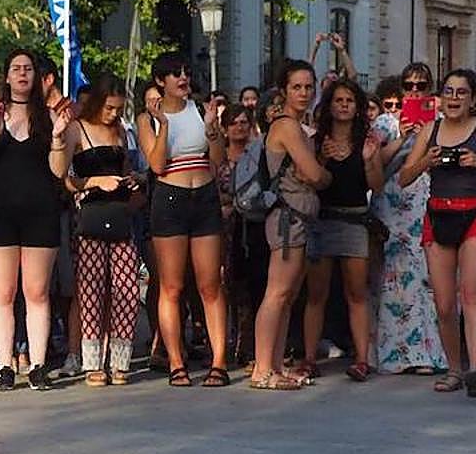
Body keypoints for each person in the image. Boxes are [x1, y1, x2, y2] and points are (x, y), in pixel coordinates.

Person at [0, 48, 71, 391]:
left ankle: (37, 365)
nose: (22, 74)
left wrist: (57, 138)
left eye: (28, 69)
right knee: (4, 291)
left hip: (40, 211)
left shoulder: (49, 117)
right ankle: (5, 366)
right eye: (16, 68)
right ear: (7, 76)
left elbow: (59, 172)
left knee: (37, 291)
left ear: (37, 77)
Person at [137, 52, 229, 387]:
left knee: (210, 284)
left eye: (186, 72)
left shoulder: (200, 110)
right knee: (171, 285)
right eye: (175, 73)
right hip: (170, 198)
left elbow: (218, 160)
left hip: (203, 195)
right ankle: (176, 362)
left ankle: (219, 361)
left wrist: (213, 130)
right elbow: (157, 165)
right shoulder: (147, 119)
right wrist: (163, 125)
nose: (182, 78)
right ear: (160, 81)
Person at [399, 68, 476, 398]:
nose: (454, 98)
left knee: (471, 293)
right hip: (439, 214)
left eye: (461, 92)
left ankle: (475, 369)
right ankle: (454, 369)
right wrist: (427, 161)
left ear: (472, 98)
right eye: (449, 92)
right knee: (444, 304)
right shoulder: (430, 130)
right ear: (440, 98)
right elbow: (404, 177)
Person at [249, 60, 332, 390]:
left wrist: (316, 171)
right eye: (297, 87)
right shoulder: (287, 126)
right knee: (278, 293)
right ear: (283, 91)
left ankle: (274, 365)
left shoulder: (297, 126)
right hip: (288, 218)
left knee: (287, 295)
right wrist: (322, 174)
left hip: (297, 217)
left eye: (309, 87)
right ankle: (262, 370)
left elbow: (311, 172)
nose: (304, 93)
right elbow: (314, 175)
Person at [301, 78, 384, 382]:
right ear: (329, 105)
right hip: (322, 220)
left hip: (354, 220)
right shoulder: (317, 140)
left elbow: (377, 185)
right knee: (316, 294)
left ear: (357, 106)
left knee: (356, 293)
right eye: (339, 100)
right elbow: (310, 180)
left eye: (350, 100)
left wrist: (369, 160)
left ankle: (361, 360)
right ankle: (309, 358)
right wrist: (322, 157)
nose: (344, 105)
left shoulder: (366, 141)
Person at [369, 62, 447, 376]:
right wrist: (402, 137)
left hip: (429, 203)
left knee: (426, 278)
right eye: (409, 85)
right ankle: (393, 354)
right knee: (390, 279)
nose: (414, 91)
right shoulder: (385, 123)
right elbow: (373, 163)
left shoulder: (441, 122)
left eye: (421, 85)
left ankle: (428, 353)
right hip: (392, 205)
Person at [65, 73, 141, 386]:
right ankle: (92, 362)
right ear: (97, 102)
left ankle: (120, 360)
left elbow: (125, 167)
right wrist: (96, 182)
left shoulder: (120, 130)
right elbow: (66, 179)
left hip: (120, 212)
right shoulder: (77, 129)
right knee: (91, 290)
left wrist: (132, 180)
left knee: (128, 288)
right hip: (91, 213)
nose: (113, 114)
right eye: (109, 107)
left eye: (118, 108)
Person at [217, 104, 265, 367]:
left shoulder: (257, 155)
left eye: (244, 122)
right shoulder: (218, 156)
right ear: (225, 128)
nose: (239, 127)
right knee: (225, 287)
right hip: (223, 229)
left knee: (250, 288)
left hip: (251, 226)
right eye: (233, 123)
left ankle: (248, 345)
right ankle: (222, 343)